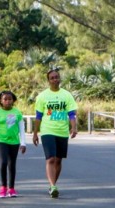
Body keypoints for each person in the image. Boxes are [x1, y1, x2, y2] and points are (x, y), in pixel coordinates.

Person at [32, 69, 78, 198]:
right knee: (51, 159)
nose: (55, 79)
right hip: (47, 130)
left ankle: (53, 185)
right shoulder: (42, 96)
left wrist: (74, 127)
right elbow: (38, 116)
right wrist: (35, 133)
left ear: (60, 78)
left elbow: (72, 114)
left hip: (62, 131)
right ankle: (53, 186)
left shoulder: (67, 95)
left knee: (58, 160)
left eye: (56, 77)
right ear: (48, 80)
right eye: (52, 78)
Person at [0, 91, 27, 198]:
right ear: (1, 101)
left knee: (12, 165)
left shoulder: (17, 113)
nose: (7, 101)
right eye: (5, 99)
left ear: (13, 100)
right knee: (3, 163)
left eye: (10, 99)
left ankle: (11, 188)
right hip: (2, 141)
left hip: (14, 142)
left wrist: (23, 143)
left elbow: (22, 128)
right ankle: (3, 187)